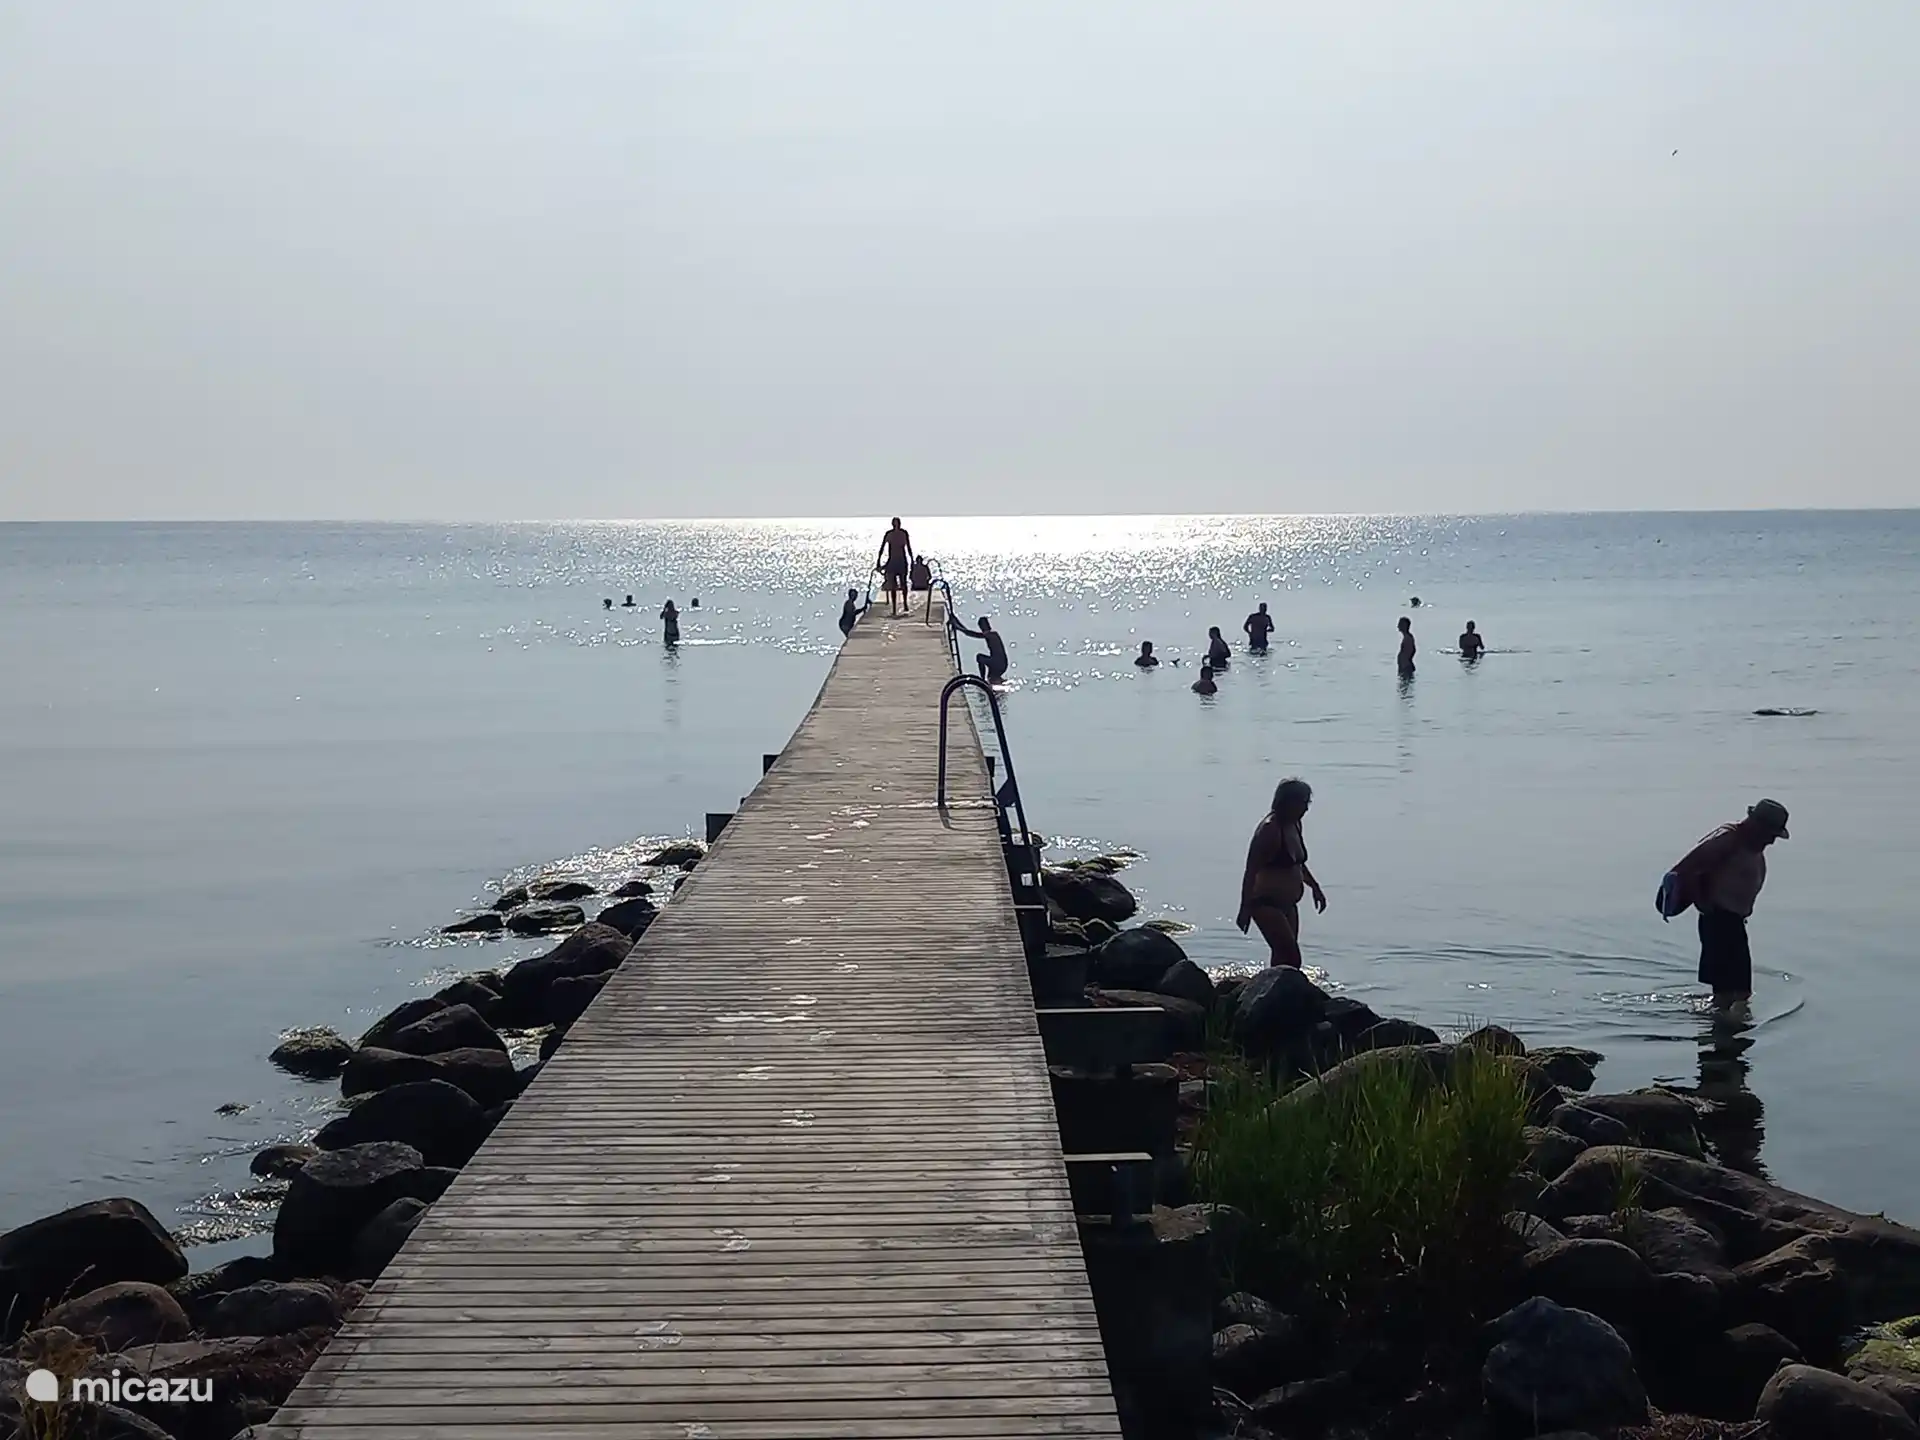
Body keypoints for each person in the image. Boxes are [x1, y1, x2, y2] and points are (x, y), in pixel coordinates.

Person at [1667, 799, 1790, 1008]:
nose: (1771, 841)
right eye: (1771, 834)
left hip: (1734, 922)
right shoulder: (1728, 842)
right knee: (1727, 993)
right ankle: (1722, 1029)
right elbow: (1686, 871)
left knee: (1741, 993)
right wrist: (1705, 905)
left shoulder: (1750, 845)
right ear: (1756, 825)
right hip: (1719, 921)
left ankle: (1725, 1029)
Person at [1236, 777, 1327, 968]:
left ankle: (1271, 992)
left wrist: (1315, 888)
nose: (1305, 809)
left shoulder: (1294, 825)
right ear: (1285, 802)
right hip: (1265, 903)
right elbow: (1250, 870)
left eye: (1307, 803)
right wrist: (1244, 908)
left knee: (1285, 958)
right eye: (1301, 803)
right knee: (1290, 954)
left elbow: (1297, 864)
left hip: (1289, 903)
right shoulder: (1269, 829)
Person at [876, 518, 914, 617]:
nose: (897, 525)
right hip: (893, 561)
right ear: (893, 524)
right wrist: (878, 561)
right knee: (893, 585)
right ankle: (894, 607)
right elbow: (882, 548)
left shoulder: (903, 533)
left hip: (901, 560)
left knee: (903, 583)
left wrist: (912, 560)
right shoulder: (889, 534)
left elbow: (908, 547)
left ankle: (905, 603)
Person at [954, 615, 1008, 682]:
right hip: (1001, 664)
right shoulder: (992, 634)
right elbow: (968, 632)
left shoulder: (992, 635)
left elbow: (970, 633)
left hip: (999, 663)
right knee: (991, 678)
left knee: (979, 657)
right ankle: (995, 682)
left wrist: (957, 627)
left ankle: (982, 679)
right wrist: (957, 622)